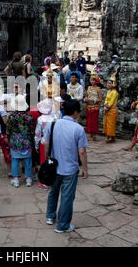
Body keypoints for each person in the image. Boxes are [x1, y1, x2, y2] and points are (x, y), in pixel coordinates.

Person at [44, 99, 88, 233]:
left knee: (53, 192)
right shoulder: (78, 129)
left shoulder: (52, 125)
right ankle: (62, 224)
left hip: (54, 167)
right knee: (67, 197)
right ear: (75, 112)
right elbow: (82, 151)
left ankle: (50, 216)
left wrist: (48, 159)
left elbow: (46, 145)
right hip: (70, 169)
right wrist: (85, 168)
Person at [6, 94, 35, 188]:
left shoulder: (11, 117)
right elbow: (32, 130)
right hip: (27, 142)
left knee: (15, 160)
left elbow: (8, 131)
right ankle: (28, 179)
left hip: (15, 142)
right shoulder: (29, 117)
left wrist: (8, 139)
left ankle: (16, 180)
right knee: (28, 160)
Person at [34, 98, 59, 190]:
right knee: (52, 160)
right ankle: (54, 179)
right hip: (54, 142)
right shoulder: (55, 118)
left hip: (43, 143)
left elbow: (37, 133)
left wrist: (36, 144)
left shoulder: (40, 119)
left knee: (44, 161)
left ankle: (45, 182)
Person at [85, 71, 103, 141]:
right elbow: (86, 95)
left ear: (96, 81)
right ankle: (90, 134)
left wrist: (94, 101)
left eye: (93, 80)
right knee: (89, 121)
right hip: (88, 106)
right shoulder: (88, 88)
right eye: (91, 80)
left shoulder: (98, 89)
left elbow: (100, 99)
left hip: (95, 106)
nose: (92, 81)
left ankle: (94, 135)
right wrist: (86, 99)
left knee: (94, 122)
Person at [102, 73, 119, 144]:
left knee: (110, 124)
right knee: (107, 123)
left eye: (110, 83)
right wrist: (105, 104)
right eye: (108, 83)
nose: (108, 85)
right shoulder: (109, 91)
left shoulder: (115, 92)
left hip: (112, 109)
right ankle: (112, 137)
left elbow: (111, 102)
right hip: (108, 109)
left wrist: (107, 106)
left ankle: (108, 138)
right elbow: (106, 99)